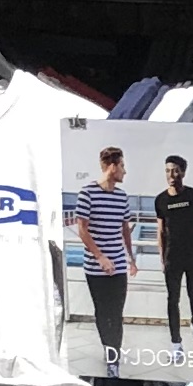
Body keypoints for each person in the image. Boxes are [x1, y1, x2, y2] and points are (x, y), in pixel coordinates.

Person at [72, 144, 135, 371]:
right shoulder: (87, 193)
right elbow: (82, 229)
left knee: (116, 313)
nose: (124, 171)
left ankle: (113, 357)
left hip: (118, 265)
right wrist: (100, 257)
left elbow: (125, 229)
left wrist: (131, 258)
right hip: (94, 267)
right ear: (112, 166)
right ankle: (109, 349)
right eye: (122, 166)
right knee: (103, 312)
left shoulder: (122, 196)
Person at [152, 152, 193, 352]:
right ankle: (176, 341)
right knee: (173, 298)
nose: (171, 175)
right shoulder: (161, 200)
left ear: (183, 173)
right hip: (172, 256)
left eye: (175, 171)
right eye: (168, 171)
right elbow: (160, 231)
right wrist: (162, 258)